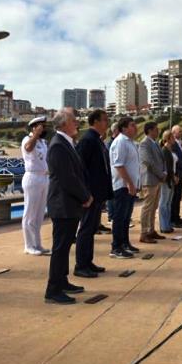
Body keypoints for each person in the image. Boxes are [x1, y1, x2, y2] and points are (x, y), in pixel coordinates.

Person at [44, 108, 91, 304]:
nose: (77, 123)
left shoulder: (66, 143)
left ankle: (62, 281)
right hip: (63, 204)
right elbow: (66, 177)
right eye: (73, 120)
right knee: (60, 248)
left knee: (64, 247)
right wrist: (84, 196)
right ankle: (53, 290)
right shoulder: (58, 145)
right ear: (63, 124)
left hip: (69, 204)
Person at [74, 109, 114, 277]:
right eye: (105, 120)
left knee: (91, 229)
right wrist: (85, 193)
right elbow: (80, 168)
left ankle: (88, 261)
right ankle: (81, 265)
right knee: (85, 229)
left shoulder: (96, 140)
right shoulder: (88, 141)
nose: (107, 123)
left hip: (97, 193)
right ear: (95, 122)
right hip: (90, 194)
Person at [109, 117, 140, 258]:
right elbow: (119, 165)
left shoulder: (130, 142)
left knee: (126, 217)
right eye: (132, 125)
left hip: (130, 186)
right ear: (124, 128)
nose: (135, 128)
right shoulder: (121, 142)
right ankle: (116, 247)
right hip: (122, 186)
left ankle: (125, 243)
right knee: (119, 217)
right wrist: (129, 183)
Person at [20, 116, 50, 256]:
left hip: (44, 177)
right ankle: (28, 245)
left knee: (39, 214)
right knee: (30, 213)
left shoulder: (43, 142)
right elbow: (28, 148)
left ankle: (37, 244)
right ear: (34, 127)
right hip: (32, 177)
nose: (44, 129)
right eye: (42, 126)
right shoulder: (28, 139)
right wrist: (35, 135)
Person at [138, 121, 165, 244]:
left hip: (157, 179)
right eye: (156, 129)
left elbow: (160, 160)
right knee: (147, 207)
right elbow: (149, 162)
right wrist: (161, 174)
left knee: (154, 207)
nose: (158, 131)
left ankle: (151, 230)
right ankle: (144, 233)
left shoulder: (155, 143)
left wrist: (163, 173)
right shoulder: (144, 144)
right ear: (149, 130)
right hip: (150, 180)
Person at [170, 125, 182, 228]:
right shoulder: (173, 144)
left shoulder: (180, 143)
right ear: (173, 133)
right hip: (176, 174)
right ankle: (173, 219)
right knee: (174, 198)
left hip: (181, 174)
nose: (181, 133)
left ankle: (177, 217)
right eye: (179, 131)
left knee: (178, 197)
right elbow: (176, 160)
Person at [159, 131, 178, 234]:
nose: (174, 139)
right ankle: (164, 225)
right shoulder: (165, 150)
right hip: (167, 179)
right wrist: (173, 176)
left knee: (168, 203)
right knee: (164, 203)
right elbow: (167, 166)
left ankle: (167, 224)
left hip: (171, 178)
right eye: (173, 138)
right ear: (168, 138)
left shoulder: (169, 150)